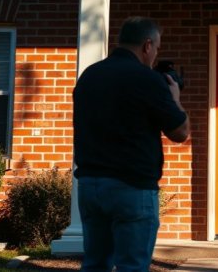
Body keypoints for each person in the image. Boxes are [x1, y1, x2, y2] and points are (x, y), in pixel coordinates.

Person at [73, 17, 190, 272]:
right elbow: (180, 132)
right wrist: (175, 99)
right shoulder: (146, 79)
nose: (155, 54)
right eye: (157, 48)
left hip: (90, 185)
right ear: (147, 45)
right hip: (132, 187)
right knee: (132, 266)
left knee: (94, 264)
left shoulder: (90, 76)